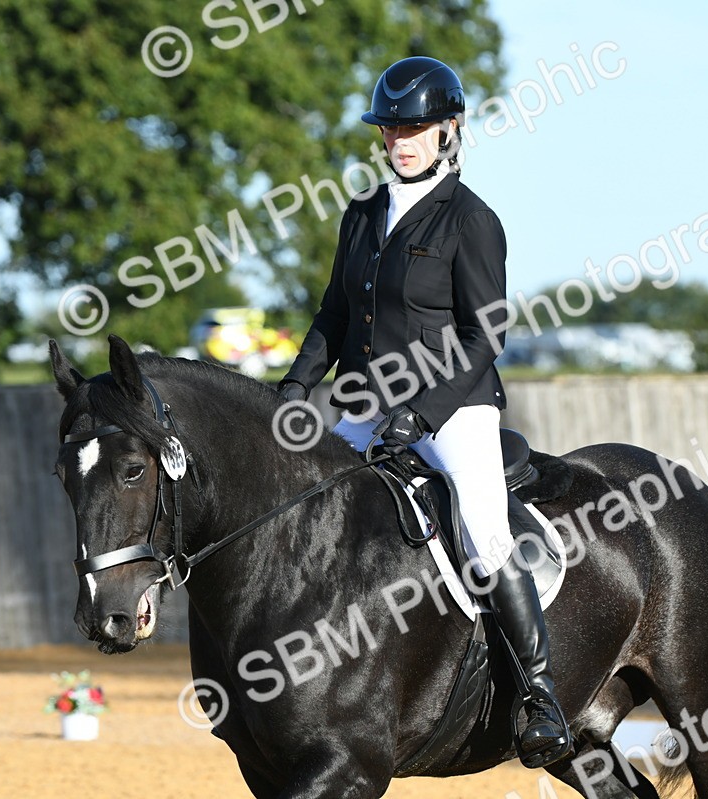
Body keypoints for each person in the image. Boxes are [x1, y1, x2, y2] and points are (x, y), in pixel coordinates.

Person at [276, 56, 571, 769]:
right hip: (365, 407)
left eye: (415, 128)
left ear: (449, 130)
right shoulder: (361, 213)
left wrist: (424, 411)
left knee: (484, 534)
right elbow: (334, 314)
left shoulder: (471, 219)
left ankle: (538, 696)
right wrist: (293, 386)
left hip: (454, 408)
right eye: (392, 128)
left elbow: (484, 334)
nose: (401, 140)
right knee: (303, 504)